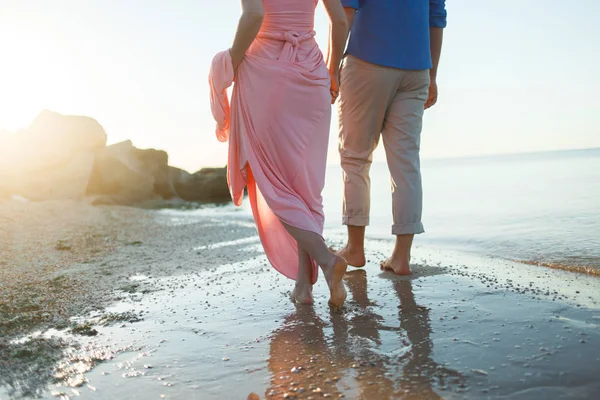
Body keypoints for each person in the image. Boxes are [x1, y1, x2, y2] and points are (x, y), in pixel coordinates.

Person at [209, 0, 349, 306]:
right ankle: (304, 286)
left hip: (267, 75)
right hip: (313, 73)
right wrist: (333, 71)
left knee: (273, 181)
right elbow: (340, 22)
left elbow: (255, 14)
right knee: (305, 187)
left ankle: (326, 260)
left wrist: (230, 60)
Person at [335, 0, 447, 275]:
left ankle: (355, 248)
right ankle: (401, 256)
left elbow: (345, 11)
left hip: (366, 60)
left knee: (356, 158)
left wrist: (331, 66)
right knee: (406, 163)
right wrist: (432, 76)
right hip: (418, 68)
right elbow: (436, 16)